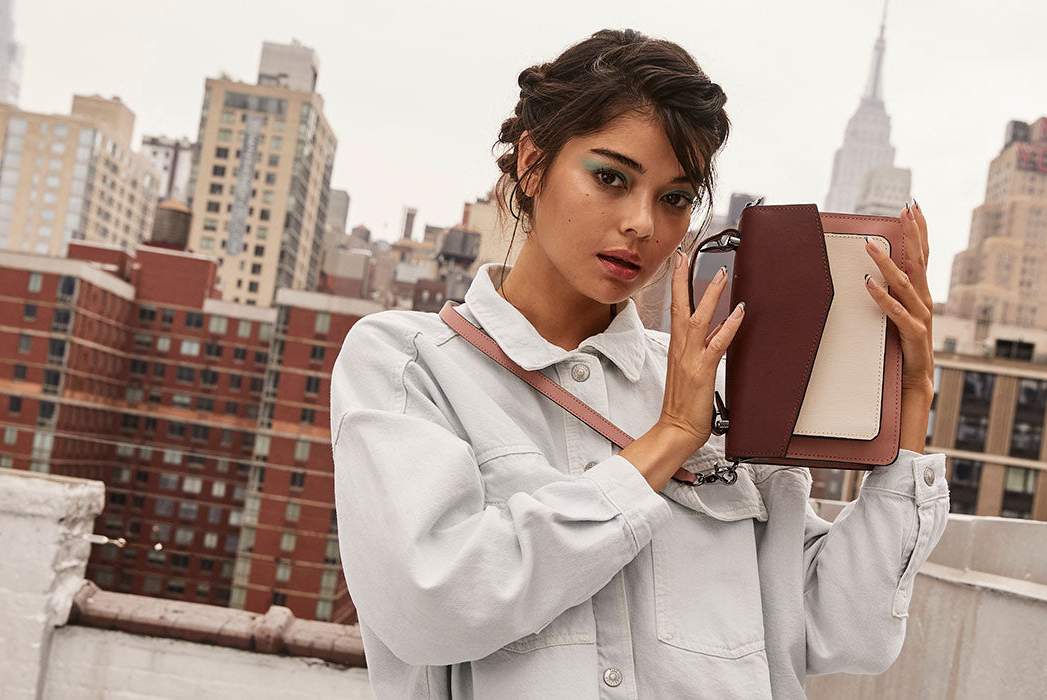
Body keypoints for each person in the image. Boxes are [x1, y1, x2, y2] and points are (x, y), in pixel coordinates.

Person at [330, 28, 949, 700]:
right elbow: (431, 605)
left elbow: (837, 631)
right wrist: (666, 442)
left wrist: (910, 399)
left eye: (675, 198)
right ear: (532, 164)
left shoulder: (716, 380)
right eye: (610, 178)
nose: (641, 224)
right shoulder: (410, 362)